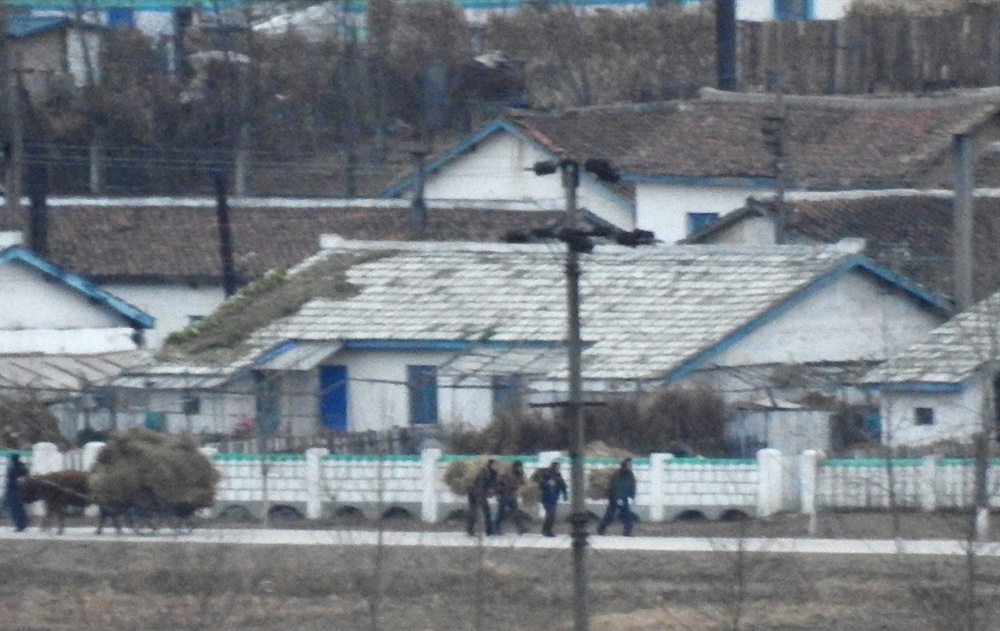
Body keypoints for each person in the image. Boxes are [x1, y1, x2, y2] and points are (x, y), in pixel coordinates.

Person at [597, 457, 637, 536]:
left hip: (624, 498)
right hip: (615, 498)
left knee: (627, 516)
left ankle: (627, 532)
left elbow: (632, 486)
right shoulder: (619, 474)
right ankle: (601, 529)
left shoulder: (630, 475)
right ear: (625, 465)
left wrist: (632, 496)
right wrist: (618, 497)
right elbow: (616, 486)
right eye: (629, 464)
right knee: (610, 515)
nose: (630, 466)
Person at [531, 460, 567, 537]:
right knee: (551, 514)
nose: (558, 468)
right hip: (546, 498)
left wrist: (565, 494)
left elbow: (562, 485)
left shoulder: (558, 475)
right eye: (557, 467)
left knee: (551, 515)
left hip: (554, 498)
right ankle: (546, 530)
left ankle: (547, 530)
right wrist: (547, 485)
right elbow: (541, 483)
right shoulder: (547, 475)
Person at [493, 460, 528, 535]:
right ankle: (496, 528)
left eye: (521, 467)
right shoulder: (507, 473)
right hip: (504, 495)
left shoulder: (520, 474)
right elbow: (499, 482)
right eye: (519, 467)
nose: (520, 468)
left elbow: (522, 483)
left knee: (515, 512)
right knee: (501, 513)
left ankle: (520, 528)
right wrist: (501, 490)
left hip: (512, 496)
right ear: (515, 467)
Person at [466, 458, 499, 536]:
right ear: (490, 465)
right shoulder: (484, 472)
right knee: (483, 511)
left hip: (480, 493)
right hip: (476, 493)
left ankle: (471, 530)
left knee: (476, 511)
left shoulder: (494, 473)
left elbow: (493, 485)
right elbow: (480, 485)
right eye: (495, 465)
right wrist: (484, 494)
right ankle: (488, 531)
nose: (496, 466)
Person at [4, 454, 30, 532]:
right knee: (20, 508)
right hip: (21, 490)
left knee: (15, 508)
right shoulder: (21, 465)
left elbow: (10, 480)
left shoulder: (12, 467)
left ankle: (20, 525)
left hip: (13, 490)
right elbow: (26, 473)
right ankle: (23, 522)